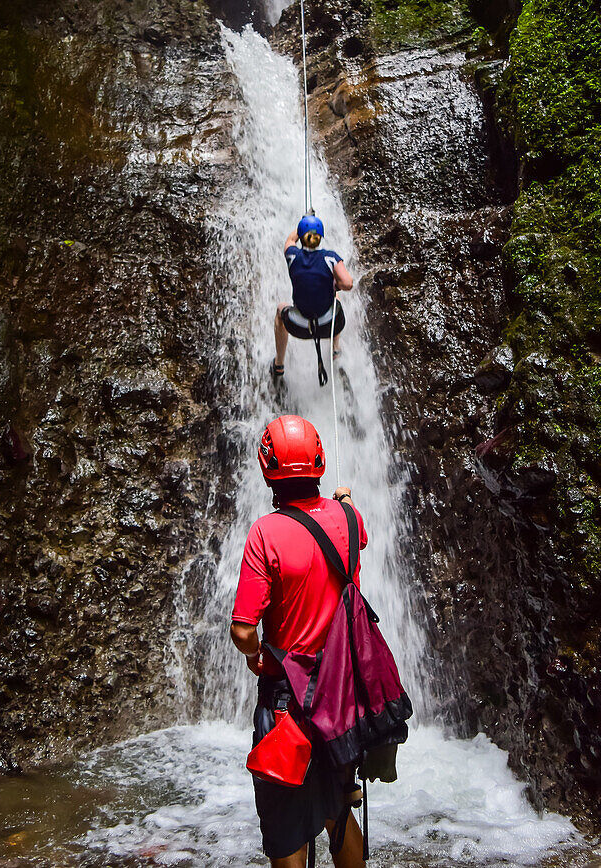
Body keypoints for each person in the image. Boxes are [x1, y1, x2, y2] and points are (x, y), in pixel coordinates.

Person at [231, 414, 366, 868]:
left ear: (266, 468)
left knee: (287, 825)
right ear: (319, 462)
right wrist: (344, 501)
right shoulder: (349, 518)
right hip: (342, 698)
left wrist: (254, 657)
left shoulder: (265, 533)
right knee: (339, 812)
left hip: (287, 703)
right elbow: (352, 532)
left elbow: (244, 629)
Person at [272, 215, 353, 382]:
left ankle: (279, 364)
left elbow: (290, 239)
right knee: (335, 297)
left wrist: (303, 222)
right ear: (320, 237)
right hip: (329, 325)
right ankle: (335, 349)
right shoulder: (330, 257)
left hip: (299, 327)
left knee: (281, 309)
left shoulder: (292, 256)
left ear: (302, 236)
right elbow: (348, 283)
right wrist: (335, 284)